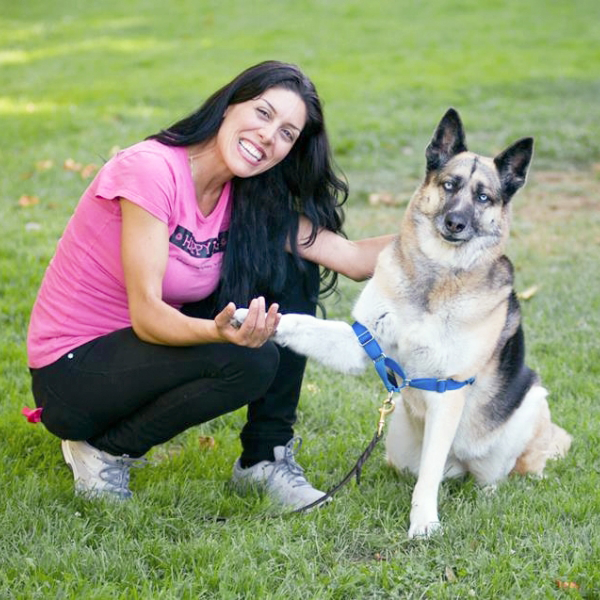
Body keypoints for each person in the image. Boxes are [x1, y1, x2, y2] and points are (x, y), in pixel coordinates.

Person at [26, 60, 393, 509]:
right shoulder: (151, 170)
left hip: (141, 355)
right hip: (73, 373)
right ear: (228, 104)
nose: (268, 136)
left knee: (296, 267)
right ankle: (103, 448)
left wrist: (450, 233)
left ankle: (264, 458)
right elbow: (147, 316)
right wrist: (220, 334)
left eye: (287, 133)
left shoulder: (246, 197)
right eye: (263, 113)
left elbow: (353, 259)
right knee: (251, 361)